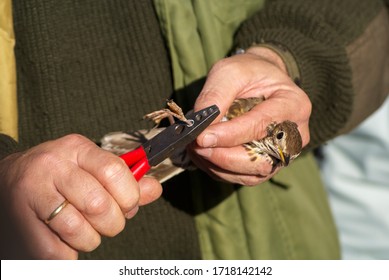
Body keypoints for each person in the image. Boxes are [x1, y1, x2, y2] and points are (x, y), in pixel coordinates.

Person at [0, 0, 388, 259]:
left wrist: (286, 60)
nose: (280, 154)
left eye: (286, 154)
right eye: (282, 144)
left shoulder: (274, 147)